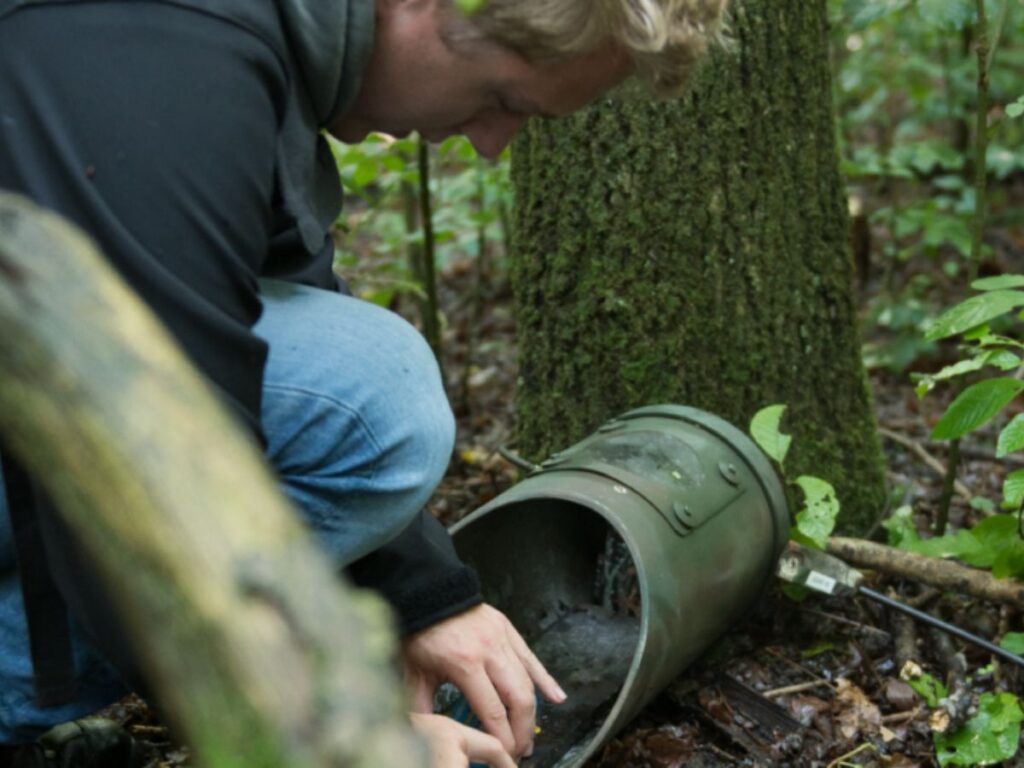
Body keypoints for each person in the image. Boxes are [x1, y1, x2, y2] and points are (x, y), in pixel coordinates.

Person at [0, 0, 726, 765]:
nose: (490, 145)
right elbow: (149, 464)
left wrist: (427, 599)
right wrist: (332, 732)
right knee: (379, 396)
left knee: (368, 396)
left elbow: (251, 304)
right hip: (73, 407)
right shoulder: (156, 54)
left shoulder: (252, 38)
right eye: (501, 99)